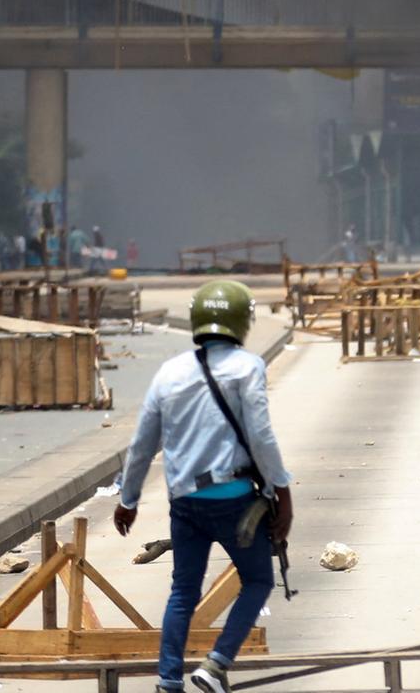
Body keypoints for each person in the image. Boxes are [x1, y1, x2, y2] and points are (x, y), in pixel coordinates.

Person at [115, 280, 292, 693]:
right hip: (234, 500)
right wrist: (283, 493)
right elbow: (262, 437)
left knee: (183, 591)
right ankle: (214, 666)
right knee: (258, 581)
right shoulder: (247, 367)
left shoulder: (170, 372)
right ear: (241, 322)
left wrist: (129, 500)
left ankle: (168, 680)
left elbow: (142, 444)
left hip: (185, 505)